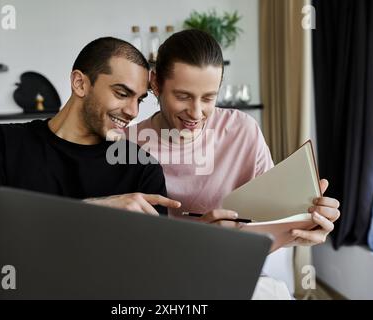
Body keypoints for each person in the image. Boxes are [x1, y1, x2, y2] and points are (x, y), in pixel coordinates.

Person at [125, 29, 341, 298]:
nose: (196, 112)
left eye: (208, 98)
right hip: (163, 282)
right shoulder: (127, 145)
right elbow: (122, 249)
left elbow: (270, 220)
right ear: (155, 84)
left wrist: (304, 223)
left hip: (234, 274)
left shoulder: (242, 130)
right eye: (182, 96)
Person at [0, 37, 180, 278]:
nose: (133, 111)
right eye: (122, 93)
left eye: (139, 99)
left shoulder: (142, 168)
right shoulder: (1, 144)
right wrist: (85, 214)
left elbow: (151, 274)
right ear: (80, 83)